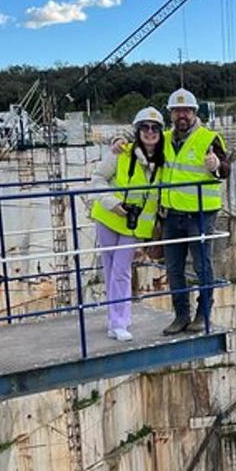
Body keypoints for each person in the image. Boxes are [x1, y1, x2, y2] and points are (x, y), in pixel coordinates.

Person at [90, 107, 164, 341]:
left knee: (120, 271)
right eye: (145, 127)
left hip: (134, 226)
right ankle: (116, 321)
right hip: (109, 217)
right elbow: (98, 178)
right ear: (138, 130)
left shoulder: (164, 159)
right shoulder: (121, 152)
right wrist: (113, 203)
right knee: (111, 269)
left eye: (154, 128)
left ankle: (119, 321)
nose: (150, 132)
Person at [159, 88, 230, 334]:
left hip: (200, 215)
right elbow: (140, 140)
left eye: (186, 111)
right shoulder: (165, 138)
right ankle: (181, 316)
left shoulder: (209, 138)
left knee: (202, 266)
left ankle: (202, 314)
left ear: (194, 113)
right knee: (173, 268)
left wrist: (216, 165)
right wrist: (119, 142)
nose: (182, 115)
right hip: (172, 214)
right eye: (177, 111)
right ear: (170, 114)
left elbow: (226, 169)